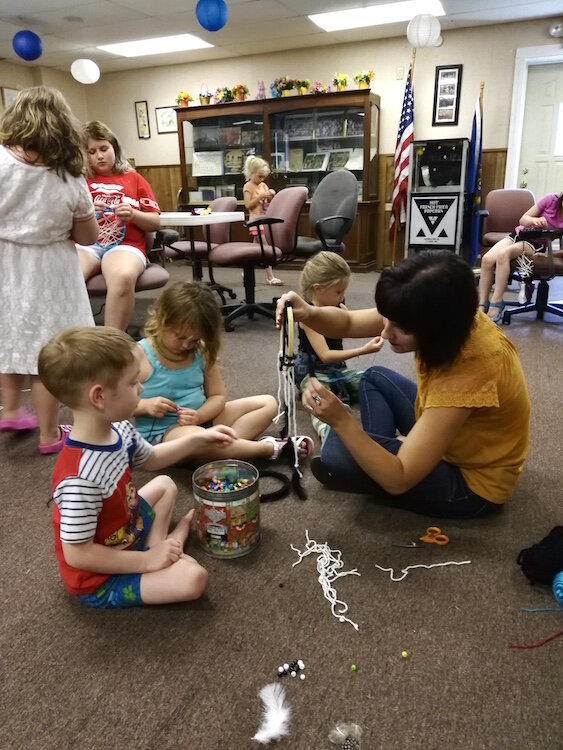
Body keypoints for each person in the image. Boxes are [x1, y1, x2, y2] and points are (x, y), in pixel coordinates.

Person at [276, 250, 531, 519]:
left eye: (400, 328)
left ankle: (379, 463)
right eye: (387, 319)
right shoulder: (450, 311)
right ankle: (381, 459)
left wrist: (342, 420)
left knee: (338, 451)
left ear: (435, 328)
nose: (385, 333)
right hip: (458, 435)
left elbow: (400, 478)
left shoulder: (468, 372)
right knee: (374, 377)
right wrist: (308, 312)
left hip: (472, 485)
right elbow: (348, 323)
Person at [37, 326, 238, 607]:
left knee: (166, 484)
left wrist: (199, 438)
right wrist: (145, 561)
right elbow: (78, 555)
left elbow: (153, 458)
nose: (141, 389)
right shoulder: (80, 479)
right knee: (194, 578)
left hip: (126, 527)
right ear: (99, 397)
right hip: (99, 578)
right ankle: (160, 552)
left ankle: (160, 548)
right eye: (133, 383)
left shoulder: (120, 429)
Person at [0, 86, 99, 454]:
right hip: (50, 268)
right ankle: (48, 434)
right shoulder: (68, 175)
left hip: (5, 264)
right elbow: (87, 235)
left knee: (9, 339)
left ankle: (10, 409)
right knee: (47, 352)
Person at [134, 280, 313, 462]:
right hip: (165, 435)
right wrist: (145, 406)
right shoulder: (138, 355)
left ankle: (222, 451)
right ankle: (267, 449)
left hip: (200, 421)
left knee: (268, 404)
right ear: (161, 318)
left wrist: (199, 416)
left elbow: (218, 397)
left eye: (195, 340)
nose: (187, 345)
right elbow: (111, 405)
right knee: (200, 438)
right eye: (180, 337)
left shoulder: (200, 351)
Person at [76, 120, 161, 331]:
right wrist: (85, 214)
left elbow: (155, 222)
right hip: (87, 244)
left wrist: (133, 214)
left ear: (115, 147)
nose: (99, 156)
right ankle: (76, 342)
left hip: (126, 245)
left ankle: (111, 345)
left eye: (104, 149)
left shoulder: (134, 179)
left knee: (122, 277)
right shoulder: (78, 180)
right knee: (67, 276)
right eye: (91, 151)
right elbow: (64, 221)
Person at [295, 251, 384, 406]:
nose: (342, 296)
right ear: (318, 289)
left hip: (337, 369)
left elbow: (354, 326)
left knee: (375, 382)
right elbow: (326, 355)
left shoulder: (340, 307)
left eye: (344, 290)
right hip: (313, 373)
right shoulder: (309, 316)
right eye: (338, 291)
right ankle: (328, 428)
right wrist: (363, 350)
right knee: (320, 400)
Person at [478, 192, 563, 323]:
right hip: (518, 234)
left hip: (535, 244)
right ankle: (482, 303)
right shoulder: (551, 200)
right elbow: (523, 219)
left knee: (503, 255)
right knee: (487, 259)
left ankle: (497, 301)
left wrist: (547, 255)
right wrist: (534, 220)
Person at [243, 155, 282, 286]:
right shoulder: (248, 186)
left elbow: (269, 203)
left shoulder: (263, 185)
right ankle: (270, 276)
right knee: (264, 247)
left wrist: (271, 195)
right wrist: (260, 196)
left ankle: (247, 269)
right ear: (251, 173)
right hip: (255, 221)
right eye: (259, 176)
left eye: (263, 177)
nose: (261, 179)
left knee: (255, 249)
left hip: (264, 220)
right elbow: (248, 205)